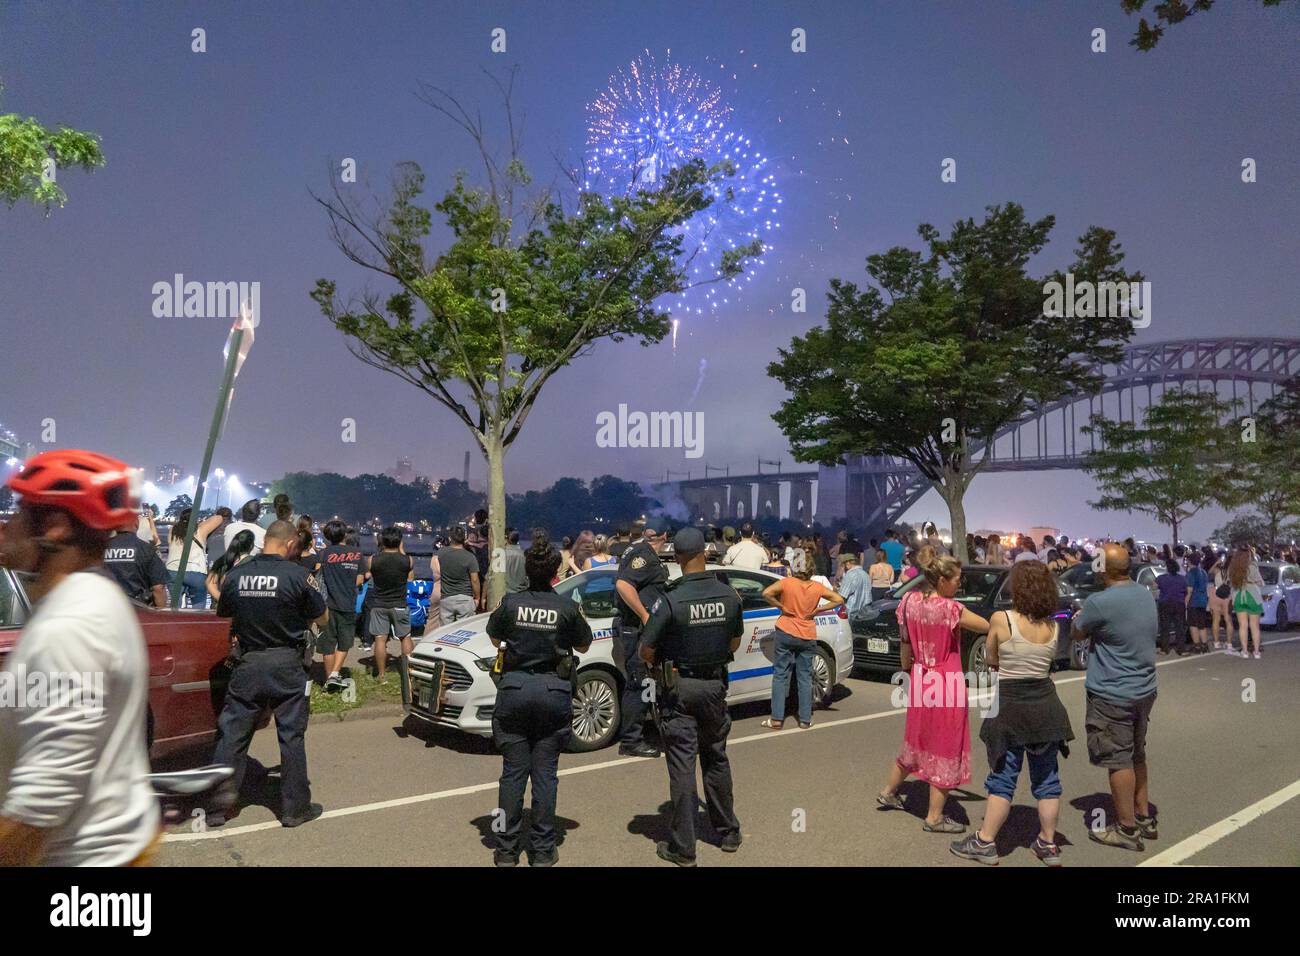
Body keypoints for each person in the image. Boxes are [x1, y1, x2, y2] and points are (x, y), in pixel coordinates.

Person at [0, 450, 160, 865]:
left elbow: (41, 803)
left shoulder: (67, 629)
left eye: (20, 512)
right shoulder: (95, 596)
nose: (9, 524)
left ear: (53, 528)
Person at [951, 561, 1073, 866]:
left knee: (1003, 778)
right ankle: (1048, 843)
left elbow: (991, 657)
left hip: (1009, 704)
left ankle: (985, 841)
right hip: (1046, 704)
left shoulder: (1001, 619)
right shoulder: (1053, 625)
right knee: (1047, 780)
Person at [209, 520, 328, 828]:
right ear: (290, 544)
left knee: (232, 735)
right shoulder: (299, 576)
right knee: (291, 736)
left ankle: (217, 808)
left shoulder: (236, 574)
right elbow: (323, 618)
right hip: (287, 664)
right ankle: (294, 809)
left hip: (248, 663)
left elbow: (224, 612)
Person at [485, 534, 593, 867]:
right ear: (554, 573)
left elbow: (494, 636)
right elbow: (585, 646)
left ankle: (505, 850)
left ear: (528, 571)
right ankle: (543, 850)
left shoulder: (511, 604)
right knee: (545, 776)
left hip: (514, 693)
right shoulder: (567, 607)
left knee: (512, 776)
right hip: (553, 694)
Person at [639, 526, 744, 865]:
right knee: (716, 756)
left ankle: (684, 848)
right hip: (714, 686)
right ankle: (727, 832)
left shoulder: (670, 599)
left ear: (678, 558)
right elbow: (734, 643)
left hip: (679, 688)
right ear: (706, 553)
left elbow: (646, 650)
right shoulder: (729, 596)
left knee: (683, 767)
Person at [877, 546, 990, 832]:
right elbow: (986, 625)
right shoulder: (951, 609)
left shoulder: (908, 603)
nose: (959, 583)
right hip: (946, 680)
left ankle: (889, 792)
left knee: (916, 739)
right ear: (942, 580)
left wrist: (907, 670)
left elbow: (904, 644)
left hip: (920, 677)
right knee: (946, 745)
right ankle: (934, 817)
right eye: (957, 579)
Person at [1069, 543, 1158, 851]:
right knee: (1137, 753)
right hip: (1144, 687)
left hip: (1112, 692)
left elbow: (1077, 632)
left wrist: (1079, 617)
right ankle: (1143, 815)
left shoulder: (1100, 602)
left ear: (1102, 568)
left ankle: (1126, 828)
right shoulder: (1143, 594)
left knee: (1118, 759)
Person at [760, 546, 847, 730]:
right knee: (805, 677)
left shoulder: (787, 583)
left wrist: (781, 606)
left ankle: (776, 719)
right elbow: (839, 599)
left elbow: (766, 593)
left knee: (780, 675)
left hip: (786, 629)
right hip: (807, 633)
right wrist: (819, 609)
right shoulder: (817, 587)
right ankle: (805, 719)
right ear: (811, 569)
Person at [613, 519, 669, 758]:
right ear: (666, 536)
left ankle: (641, 734)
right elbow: (624, 585)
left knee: (644, 683)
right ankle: (632, 740)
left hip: (633, 628)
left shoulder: (635, 550)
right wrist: (646, 616)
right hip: (636, 630)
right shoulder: (644, 555)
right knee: (639, 683)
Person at [316, 519, 365, 691]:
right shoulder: (357, 554)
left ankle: (330, 678)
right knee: (344, 643)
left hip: (326, 606)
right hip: (347, 604)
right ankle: (335, 674)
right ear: (344, 534)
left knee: (327, 644)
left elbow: (317, 577)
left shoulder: (323, 554)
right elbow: (359, 580)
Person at [365, 525, 415, 689]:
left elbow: (369, 575)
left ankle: (381, 674)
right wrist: (402, 550)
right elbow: (410, 579)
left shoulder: (373, 559)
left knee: (380, 639)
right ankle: (409, 672)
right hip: (399, 603)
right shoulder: (407, 560)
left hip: (379, 604)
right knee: (405, 637)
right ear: (400, 541)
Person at [104, 512, 169, 607]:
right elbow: (159, 588)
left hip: (107, 606)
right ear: (136, 523)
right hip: (138, 608)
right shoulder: (146, 549)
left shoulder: (101, 549)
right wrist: (161, 614)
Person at [163, 508, 223, 608]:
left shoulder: (173, 530)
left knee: (174, 607)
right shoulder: (200, 529)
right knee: (198, 605)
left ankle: (177, 616)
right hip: (196, 571)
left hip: (173, 571)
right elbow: (219, 518)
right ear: (195, 519)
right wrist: (201, 523)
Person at [436, 526, 481, 622]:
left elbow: (435, 571)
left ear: (450, 538)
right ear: (464, 538)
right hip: (465, 598)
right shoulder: (470, 557)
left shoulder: (441, 553)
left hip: (446, 598)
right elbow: (475, 580)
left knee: (445, 633)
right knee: (465, 632)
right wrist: (477, 597)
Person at [1227, 548, 1264, 659]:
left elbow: (1230, 583)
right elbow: (1260, 582)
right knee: (1254, 626)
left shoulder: (1233, 568)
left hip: (1238, 596)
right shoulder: (1252, 566)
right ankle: (1256, 652)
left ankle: (1244, 651)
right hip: (1252, 595)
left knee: (1242, 625)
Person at [1155, 558, 1189, 656]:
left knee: (1165, 627)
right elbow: (1185, 591)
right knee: (1180, 627)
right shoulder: (1182, 578)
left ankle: (1165, 649)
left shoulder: (1161, 578)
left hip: (1165, 603)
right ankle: (1181, 649)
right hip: (1179, 603)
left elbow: (1154, 586)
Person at [1207, 552, 1235, 650]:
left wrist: (1216, 562)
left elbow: (1209, 572)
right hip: (1227, 595)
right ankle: (1229, 643)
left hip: (1216, 593)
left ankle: (1216, 642)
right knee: (1228, 619)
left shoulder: (1218, 569)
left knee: (1216, 619)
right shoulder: (1233, 571)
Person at [1185, 553, 1211, 654]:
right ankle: (1205, 645)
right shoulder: (1203, 572)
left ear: (1189, 561)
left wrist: (1185, 602)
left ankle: (1197, 646)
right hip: (1203, 600)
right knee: (1202, 624)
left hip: (1194, 601)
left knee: (1193, 624)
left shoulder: (1191, 573)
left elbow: (1189, 590)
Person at [839, 551, 873, 616]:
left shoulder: (850, 575)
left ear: (848, 563)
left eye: (843, 564)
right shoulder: (865, 574)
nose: (843, 567)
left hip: (852, 613)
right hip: (866, 613)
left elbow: (841, 597)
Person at [501, 527, 527, 595]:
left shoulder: (500, 555)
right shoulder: (525, 555)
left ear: (505, 538)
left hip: (504, 594)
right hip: (522, 594)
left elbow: (491, 577)